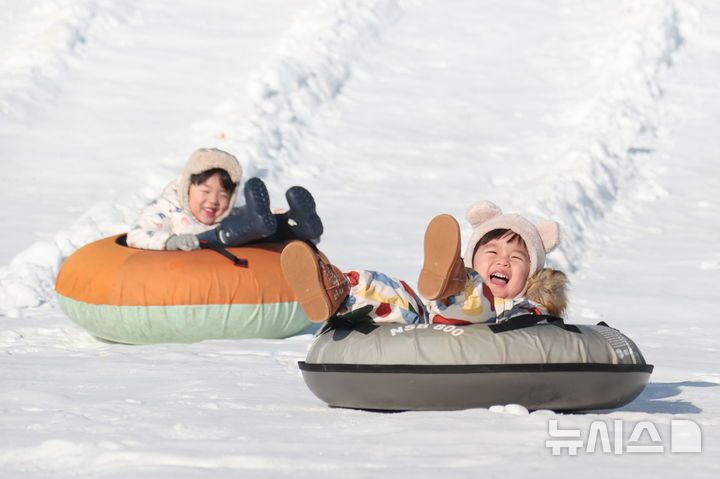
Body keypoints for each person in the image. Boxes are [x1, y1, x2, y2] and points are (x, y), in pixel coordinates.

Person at [280, 200, 568, 325]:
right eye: (491, 252)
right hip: (433, 319)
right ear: (470, 258)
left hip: (483, 326)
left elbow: (536, 331)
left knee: (480, 298)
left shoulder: (526, 307)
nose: (503, 262)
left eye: (516, 258)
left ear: (531, 275)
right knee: (398, 297)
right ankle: (339, 289)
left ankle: (455, 286)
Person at [127, 148, 323, 250]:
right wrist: (169, 241)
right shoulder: (166, 208)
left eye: (223, 195)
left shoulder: (231, 213)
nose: (214, 201)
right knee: (230, 232)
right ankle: (229, 234)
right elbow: (136, 235)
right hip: (193, 253)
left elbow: (263, 219)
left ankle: (295, 225)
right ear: (188, 187)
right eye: (205, 191)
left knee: (259, 227)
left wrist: (279, 219)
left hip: (233, 249)